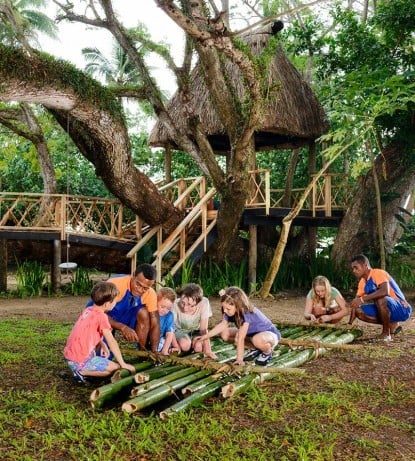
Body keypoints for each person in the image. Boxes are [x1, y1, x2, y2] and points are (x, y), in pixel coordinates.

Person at [64, 282, 136, 382]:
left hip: (70, 356)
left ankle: (81, 369)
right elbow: (112, 341)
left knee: (105, 362)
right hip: (79, 360)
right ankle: (80, 372)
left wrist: (102, 344)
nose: (116, 303)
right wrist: (123, 364)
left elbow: (87, 332)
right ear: (107, 304)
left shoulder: (88, 310)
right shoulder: (102, 317)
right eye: (115, 301)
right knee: (114, 368)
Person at [194, 286, 280, 366]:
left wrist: (239, 359)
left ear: (238, 306)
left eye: (228, 309)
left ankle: (267, 352)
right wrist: (205, 337)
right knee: (224, 334)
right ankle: (255, 348)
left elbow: (241, 338)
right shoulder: (229, 311)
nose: (225, 311)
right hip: (252, 334)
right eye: (223, 307)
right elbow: (222, 325)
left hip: (269, 335)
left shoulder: (246, 313)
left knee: (254, 339)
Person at [349, 254, 412, 341]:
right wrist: (349, 323)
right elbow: (355, 302)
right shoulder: (362, 282)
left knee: (380, 298)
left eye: (356, 268)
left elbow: (384, 291)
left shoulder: (378, 273)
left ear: (365, 265)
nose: (354, 271)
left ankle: (386, 334)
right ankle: (391, 324)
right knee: (358, 311)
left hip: (402, 309)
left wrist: (362, 299)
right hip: (385, 308)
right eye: (353, 268)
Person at [105, 264, 160, 352]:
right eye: (138, 284)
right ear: (133, 276)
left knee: (144, 313)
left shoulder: (150, 294)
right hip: (106, 315)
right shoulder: (114, 285)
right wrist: (123, 327)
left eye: (145, 288)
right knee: (104, 353)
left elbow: (155, 324)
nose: (140, 290)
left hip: (125, 316)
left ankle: (142, 352)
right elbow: (98, 313)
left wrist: (155, 350)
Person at [173, 283, 215, 358]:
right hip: (180, 331)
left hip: (196, 331)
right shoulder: (175, 304)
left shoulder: (204, 303)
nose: (185, 308)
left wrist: (208, 350)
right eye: (183, 303)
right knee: (185, 345)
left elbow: (203, 329)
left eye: (190, 305)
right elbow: (170, 329)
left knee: (198, 347)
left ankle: (193, 343)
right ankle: (188, 344)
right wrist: (176, 346)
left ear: (198, 303)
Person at [157, 287, 180, 355]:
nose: (165, 310)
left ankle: (165, 350)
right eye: (162, 307)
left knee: (164, 342)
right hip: (149, 339)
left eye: (168, 308)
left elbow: (170, 333)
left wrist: (165, 350)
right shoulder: (151, 311)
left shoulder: (169, 315)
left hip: (160, 339)